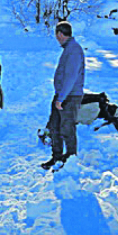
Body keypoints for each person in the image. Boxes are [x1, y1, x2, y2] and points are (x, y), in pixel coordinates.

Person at [42, 21, 85, 169]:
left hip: (70, 97)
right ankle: (57, 157)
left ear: (60, 34)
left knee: (67, 128)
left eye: (56, 35)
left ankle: (71, 160)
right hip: (61, 95)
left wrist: (61, 98)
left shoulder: (74, 51)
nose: (56, 38)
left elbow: (71, 76)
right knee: (54, 127)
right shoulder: (69, 49)